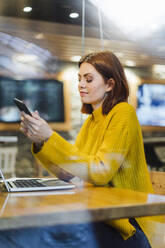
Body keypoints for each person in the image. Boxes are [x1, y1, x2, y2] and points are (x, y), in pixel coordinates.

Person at [0, 51, 156, 247]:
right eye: (80, 79)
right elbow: (68, 172)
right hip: (97, 216)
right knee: (22, 233)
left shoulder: (123, 112)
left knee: (28, 236)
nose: (81, 84)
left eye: (89, 79)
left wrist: (50, 137)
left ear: (110, 84)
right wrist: (41, 142)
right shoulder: (91, 121)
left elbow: (101, 172)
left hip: (126, 226)